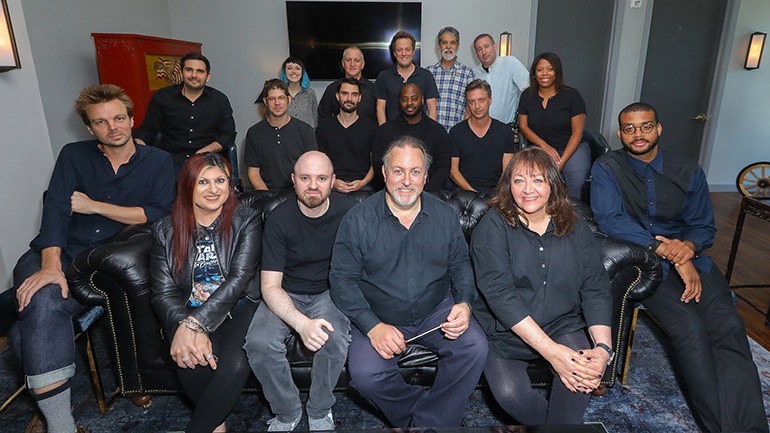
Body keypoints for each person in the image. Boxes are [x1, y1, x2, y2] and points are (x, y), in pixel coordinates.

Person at [591, 102, 769, 433]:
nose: (638, 134)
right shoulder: (607, 167)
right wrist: (669, 253)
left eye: (645, 126)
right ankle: (720, 427)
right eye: (629, 128)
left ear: (659, 129)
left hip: (692, 260)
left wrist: (686, 250)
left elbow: (703, 227)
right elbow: (610, 219)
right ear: (620, 133)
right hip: (647, 265)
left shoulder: (688, 170)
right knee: (689, 331)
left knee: (728, 327)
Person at [10, 84, 175, 433]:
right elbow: (55, 207)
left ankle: (47, 408)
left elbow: (157, 212)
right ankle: (61, 423)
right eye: (101, 122)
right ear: (89, 128)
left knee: (31, 322)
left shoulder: (158, 161)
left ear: (132, 119)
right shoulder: (73, 155)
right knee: (43, 297)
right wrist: (51, 266)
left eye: (118, 118)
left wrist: (92, 205)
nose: (112, 127)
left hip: (103, 264)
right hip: (57, 249)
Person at [329, 137, 488, 428]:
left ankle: (426, 423)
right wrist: (373, 327)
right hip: (378, 314)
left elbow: (461, 265)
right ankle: (435, 418)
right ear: (384, 173)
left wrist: (464, 304)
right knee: (366, 376)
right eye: (398, 171)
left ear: (426, 176)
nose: (406, 180)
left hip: (435, 311)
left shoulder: (445, 215)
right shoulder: (358, 219)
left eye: (415, 172)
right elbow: (341, 281)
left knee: (475, 346)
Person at [470, 147, 612, 424]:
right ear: (508, 184)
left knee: (582, 377)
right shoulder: (492, 227)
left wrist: (603, 349)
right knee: (511, 395)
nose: (527, 190)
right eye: (519, 180)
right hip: (506, 332)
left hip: (562, 324)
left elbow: (595, 287)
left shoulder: (576, 226)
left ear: (553, 183)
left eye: (538, 180)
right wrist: (553, 353)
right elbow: (501, 297)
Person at [244, 151, 356, 432]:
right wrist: (302, 324)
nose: (313, 185)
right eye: (305, 178)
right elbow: (269, 286)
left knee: (334, 338)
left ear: (333, 181)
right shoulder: (279, 218)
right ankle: (287, 411)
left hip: (329, 291)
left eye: (321, 178)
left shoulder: (349, 211)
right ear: (293, 180)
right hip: (285, 291)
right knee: (259, 342)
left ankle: (319, 408)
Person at [150, 153, 261, 433]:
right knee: (190, 362)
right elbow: (163, 292)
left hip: (239, 306)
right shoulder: (164, 230)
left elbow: (239, 279)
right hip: (188, 307)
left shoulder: (246, 220)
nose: (214, 189)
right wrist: (183, 325)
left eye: (220, 180)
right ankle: (216, 425)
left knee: (235, 363)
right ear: (188, 185)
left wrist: (194, 324)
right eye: (204, 182)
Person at [135, 52, 236, 170]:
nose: (194, 75)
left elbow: (227, 135)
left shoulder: (220, 100)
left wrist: (203, 152)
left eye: (200, 71)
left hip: (206, 162)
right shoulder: (162, 97)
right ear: (181, 72)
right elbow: (148, 130)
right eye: (189, 70)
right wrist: (136, 149)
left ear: (208, 76)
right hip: (170, 162)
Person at [517, 52, 589, 200]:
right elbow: (523, 126)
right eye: (539, 69)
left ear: (557, 71)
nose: (545, 73)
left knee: (577, 179)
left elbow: (577, 132)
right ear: (534, 74)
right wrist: (544, 145)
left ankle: (572, 217)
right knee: (535, 179)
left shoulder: (572, 95)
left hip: (571, 147)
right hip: (539, 147)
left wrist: (561, 163)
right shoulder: (527, 95)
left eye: (550, 69)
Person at [371, 83, 450, 192]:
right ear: (399, 101)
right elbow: (378, 164)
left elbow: (443, 168)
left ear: (422, 100)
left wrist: (424, 192)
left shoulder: (437, 131)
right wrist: (393, 187)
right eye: (404, 99)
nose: (409, 103)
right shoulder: (385, 130)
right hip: (392, 191)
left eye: (414, 99)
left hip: (430, 192)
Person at [245, 79, 317, 191]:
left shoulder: (305, 130)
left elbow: (311, 168)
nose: (277, 103)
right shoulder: (254, 133)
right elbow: (253, 173)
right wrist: (268, 198)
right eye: (272, 99)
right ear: (265, 101)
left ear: (288, 100)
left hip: (297, 194)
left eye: (281, 98)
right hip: (267, 195)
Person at [449, 79, 515, 194]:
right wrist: (474, 193)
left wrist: (495, 194)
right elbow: (453, 171)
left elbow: (507, 171)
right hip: (464, 193)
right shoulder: (456, 132)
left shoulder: (505, 132)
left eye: (481, 100)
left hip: (496, 193)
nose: (477, 106)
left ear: (490, 100)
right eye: (472, 102)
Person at [316, 77, 377, 192]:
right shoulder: (324, 127)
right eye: (345, 94)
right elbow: (319, 161)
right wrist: (332, 181)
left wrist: (362, 183)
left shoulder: (371, 128)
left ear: (359, 98)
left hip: (363, 186)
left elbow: (376, 162)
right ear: (337, 96)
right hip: (331, 184)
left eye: (354, 94)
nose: (349, 99)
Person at [374, 30, 439, 125]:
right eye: (399, 50)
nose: (404, 53)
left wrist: (430, 134)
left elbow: (432, 107)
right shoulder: (383, 76)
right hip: (392, 134)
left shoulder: (426, 75)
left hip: (420, 135)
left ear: (413, 51)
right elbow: (380, 108)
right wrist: (384, 133)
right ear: (394, 53)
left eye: (407, 49)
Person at [425, 26, 475, 131]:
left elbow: (470, 106)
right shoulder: (428, 72)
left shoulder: (467, 73)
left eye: (452, 43)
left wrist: (464, 132)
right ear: (439, 46)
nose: (448, 47)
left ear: (458, 46)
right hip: (432, 132)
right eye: (444, 43)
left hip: (457, 134)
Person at [472, 33, 529, 125]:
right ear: (476, 54)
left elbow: (528, 89)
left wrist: (521, 119)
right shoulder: (473, 74)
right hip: (480, 129)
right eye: (479, 49)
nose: (484, 52)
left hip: (506, 127)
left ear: (495, 47)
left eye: (486, 46)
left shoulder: (511, 63)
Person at [317, 46, 377, 123]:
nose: (352, 64)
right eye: (348, 60)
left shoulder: (374, 89)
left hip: (369, 134)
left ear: (363, 64)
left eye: (357, 60)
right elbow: (323, 117)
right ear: (343, 63)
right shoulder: (332, 89)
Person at [280, 56, 319, 128]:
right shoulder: (279, 94)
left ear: (302, 72)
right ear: (284, 71)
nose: (294, 71)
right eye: (289, 68)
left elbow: (315, 117)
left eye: (297, 68)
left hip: (307, 136)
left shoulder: (310, 93)